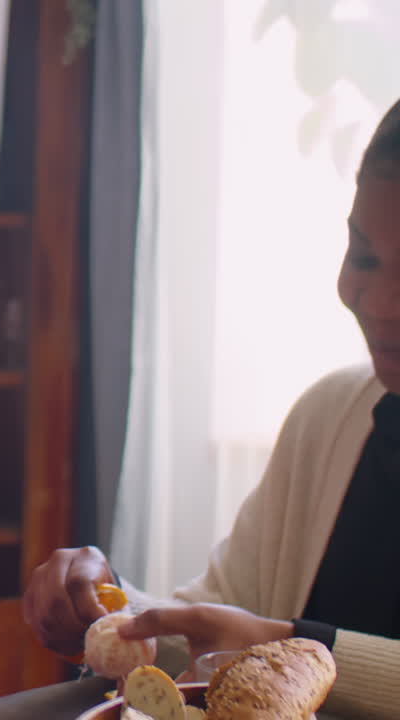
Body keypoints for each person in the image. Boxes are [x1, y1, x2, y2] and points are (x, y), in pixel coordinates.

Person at [23, 97, 400, 719]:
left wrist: (291, 646)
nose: (378, 301)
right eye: (363, 256)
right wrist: (110, 613)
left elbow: (258, 637)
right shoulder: (331, 418)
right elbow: (212, 639)